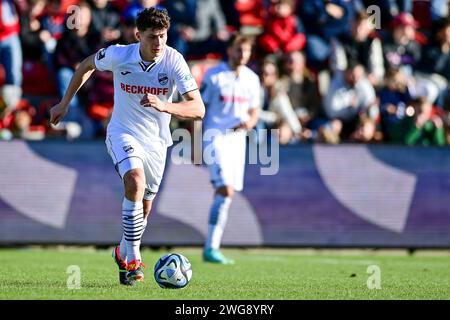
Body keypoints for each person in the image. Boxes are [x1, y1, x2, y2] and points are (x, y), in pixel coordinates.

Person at [49, 7, 205, 284]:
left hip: (157, 142)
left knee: (143, 210)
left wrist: (164, 105)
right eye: (152, 37)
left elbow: (199, 108)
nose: (158, 43)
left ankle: (122, 251)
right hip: (123, 131)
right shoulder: (120, 54)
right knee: (134, 180)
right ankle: (133, 259)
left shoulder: (174, 60)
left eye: (163, 36)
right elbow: (86, 65)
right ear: (138, 35)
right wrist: (64, 102)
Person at [201, 34, 260, 264]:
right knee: (226, 190)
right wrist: (196, 143)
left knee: (225, 196)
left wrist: (251, 122)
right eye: (238, 50)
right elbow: (199, 108)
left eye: (246, 51)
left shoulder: (252, 79)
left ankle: (211, 248)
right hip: (215, 138)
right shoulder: (214, 75)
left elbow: (254, 111)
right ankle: (211, 248)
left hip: (238, 142)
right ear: (230, 50)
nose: (242, 55)